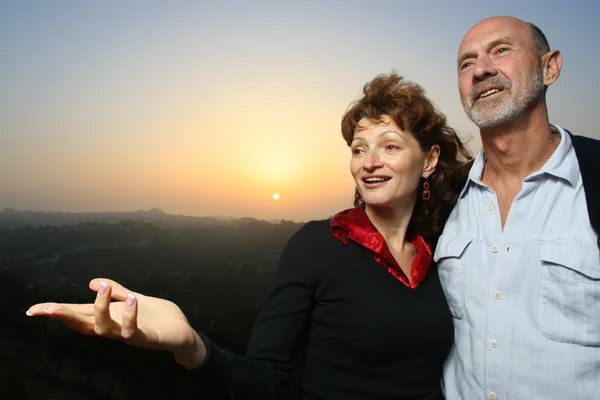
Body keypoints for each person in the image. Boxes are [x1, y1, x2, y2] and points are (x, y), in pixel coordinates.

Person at [27, 73, 470, 399]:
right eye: (358, 148)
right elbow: (264, 383)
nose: (369, 161)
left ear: (429, 160)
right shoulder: (317, 246)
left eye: (390, 146)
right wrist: (193, 346)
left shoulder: (445, 247)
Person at [436, 16, 600, 400]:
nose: (481, 70)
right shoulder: (444, 199)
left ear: (550, 67)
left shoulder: (593, 178)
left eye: (501, 50)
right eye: (466, 63)